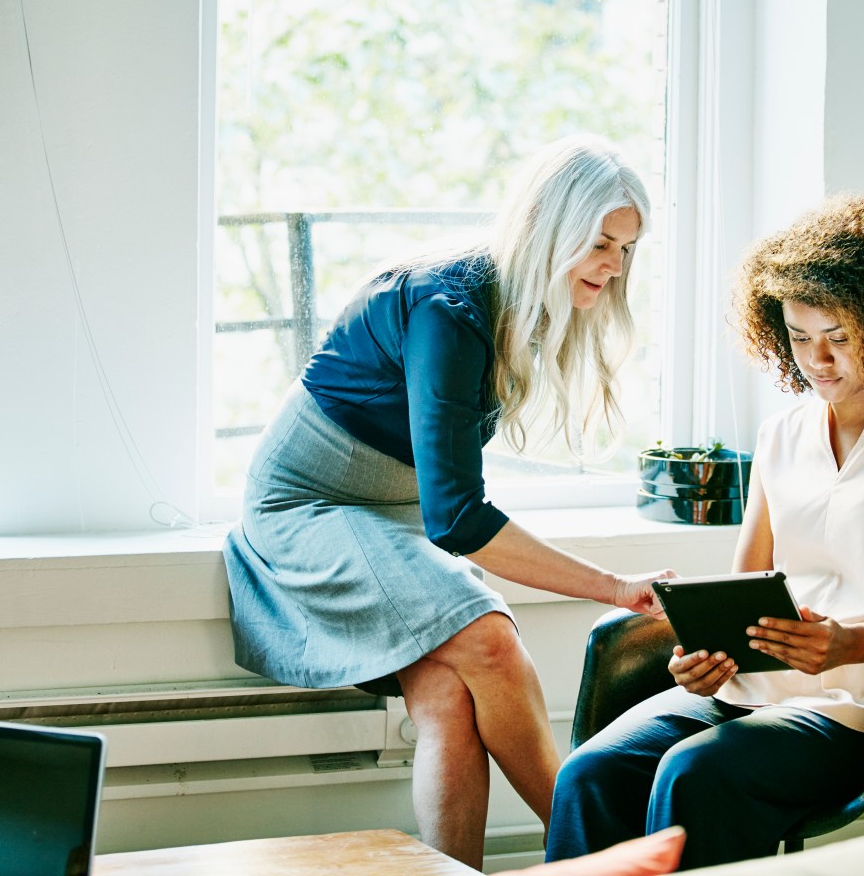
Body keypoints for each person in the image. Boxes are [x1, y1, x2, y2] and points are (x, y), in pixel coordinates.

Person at [222, 135, 670, 869]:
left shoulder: (514, 302)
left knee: (446, 697)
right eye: (599, 242)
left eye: (627, 247)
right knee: (489, 638)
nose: (615, 265)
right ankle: (606, 855)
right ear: (550, 229)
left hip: (386, 517)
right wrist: (617, 588)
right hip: (306, 512)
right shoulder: (450, 304)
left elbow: (441, 502)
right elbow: (458, 518)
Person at [544, 193, 864, 870]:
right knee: (589, 775)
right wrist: (704, 660)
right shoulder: (783, 432)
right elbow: (745, 588)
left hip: (860, 710)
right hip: (751, 694)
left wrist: (848, 644)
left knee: (696, 775)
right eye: (798, 337)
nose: (817, 360)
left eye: (841, 337)